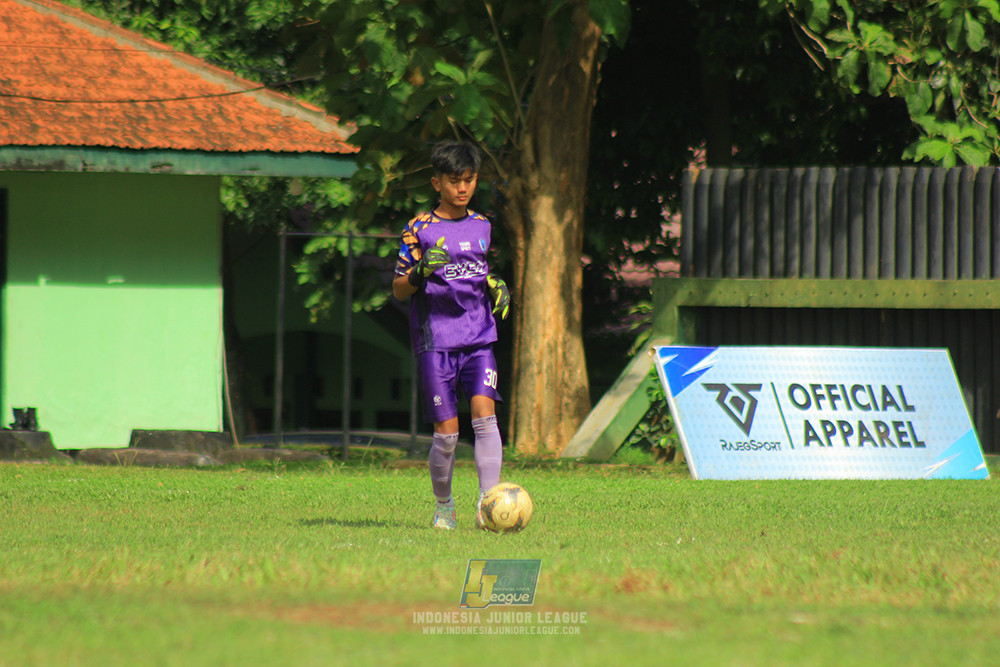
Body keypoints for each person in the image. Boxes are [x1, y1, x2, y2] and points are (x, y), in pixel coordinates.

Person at [392, 140, 511, 530]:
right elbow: (398, 288)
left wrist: (495, 284)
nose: (462, 188)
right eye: (453, 181)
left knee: (485, 414)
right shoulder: (419, 229)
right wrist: (420, 271)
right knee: (446, 435)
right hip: (436, 342)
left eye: (469, 180)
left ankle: (487, 505)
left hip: (479, 337)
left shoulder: (482, 225)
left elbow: (480, 272)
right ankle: (444, 506)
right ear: (436, 182)